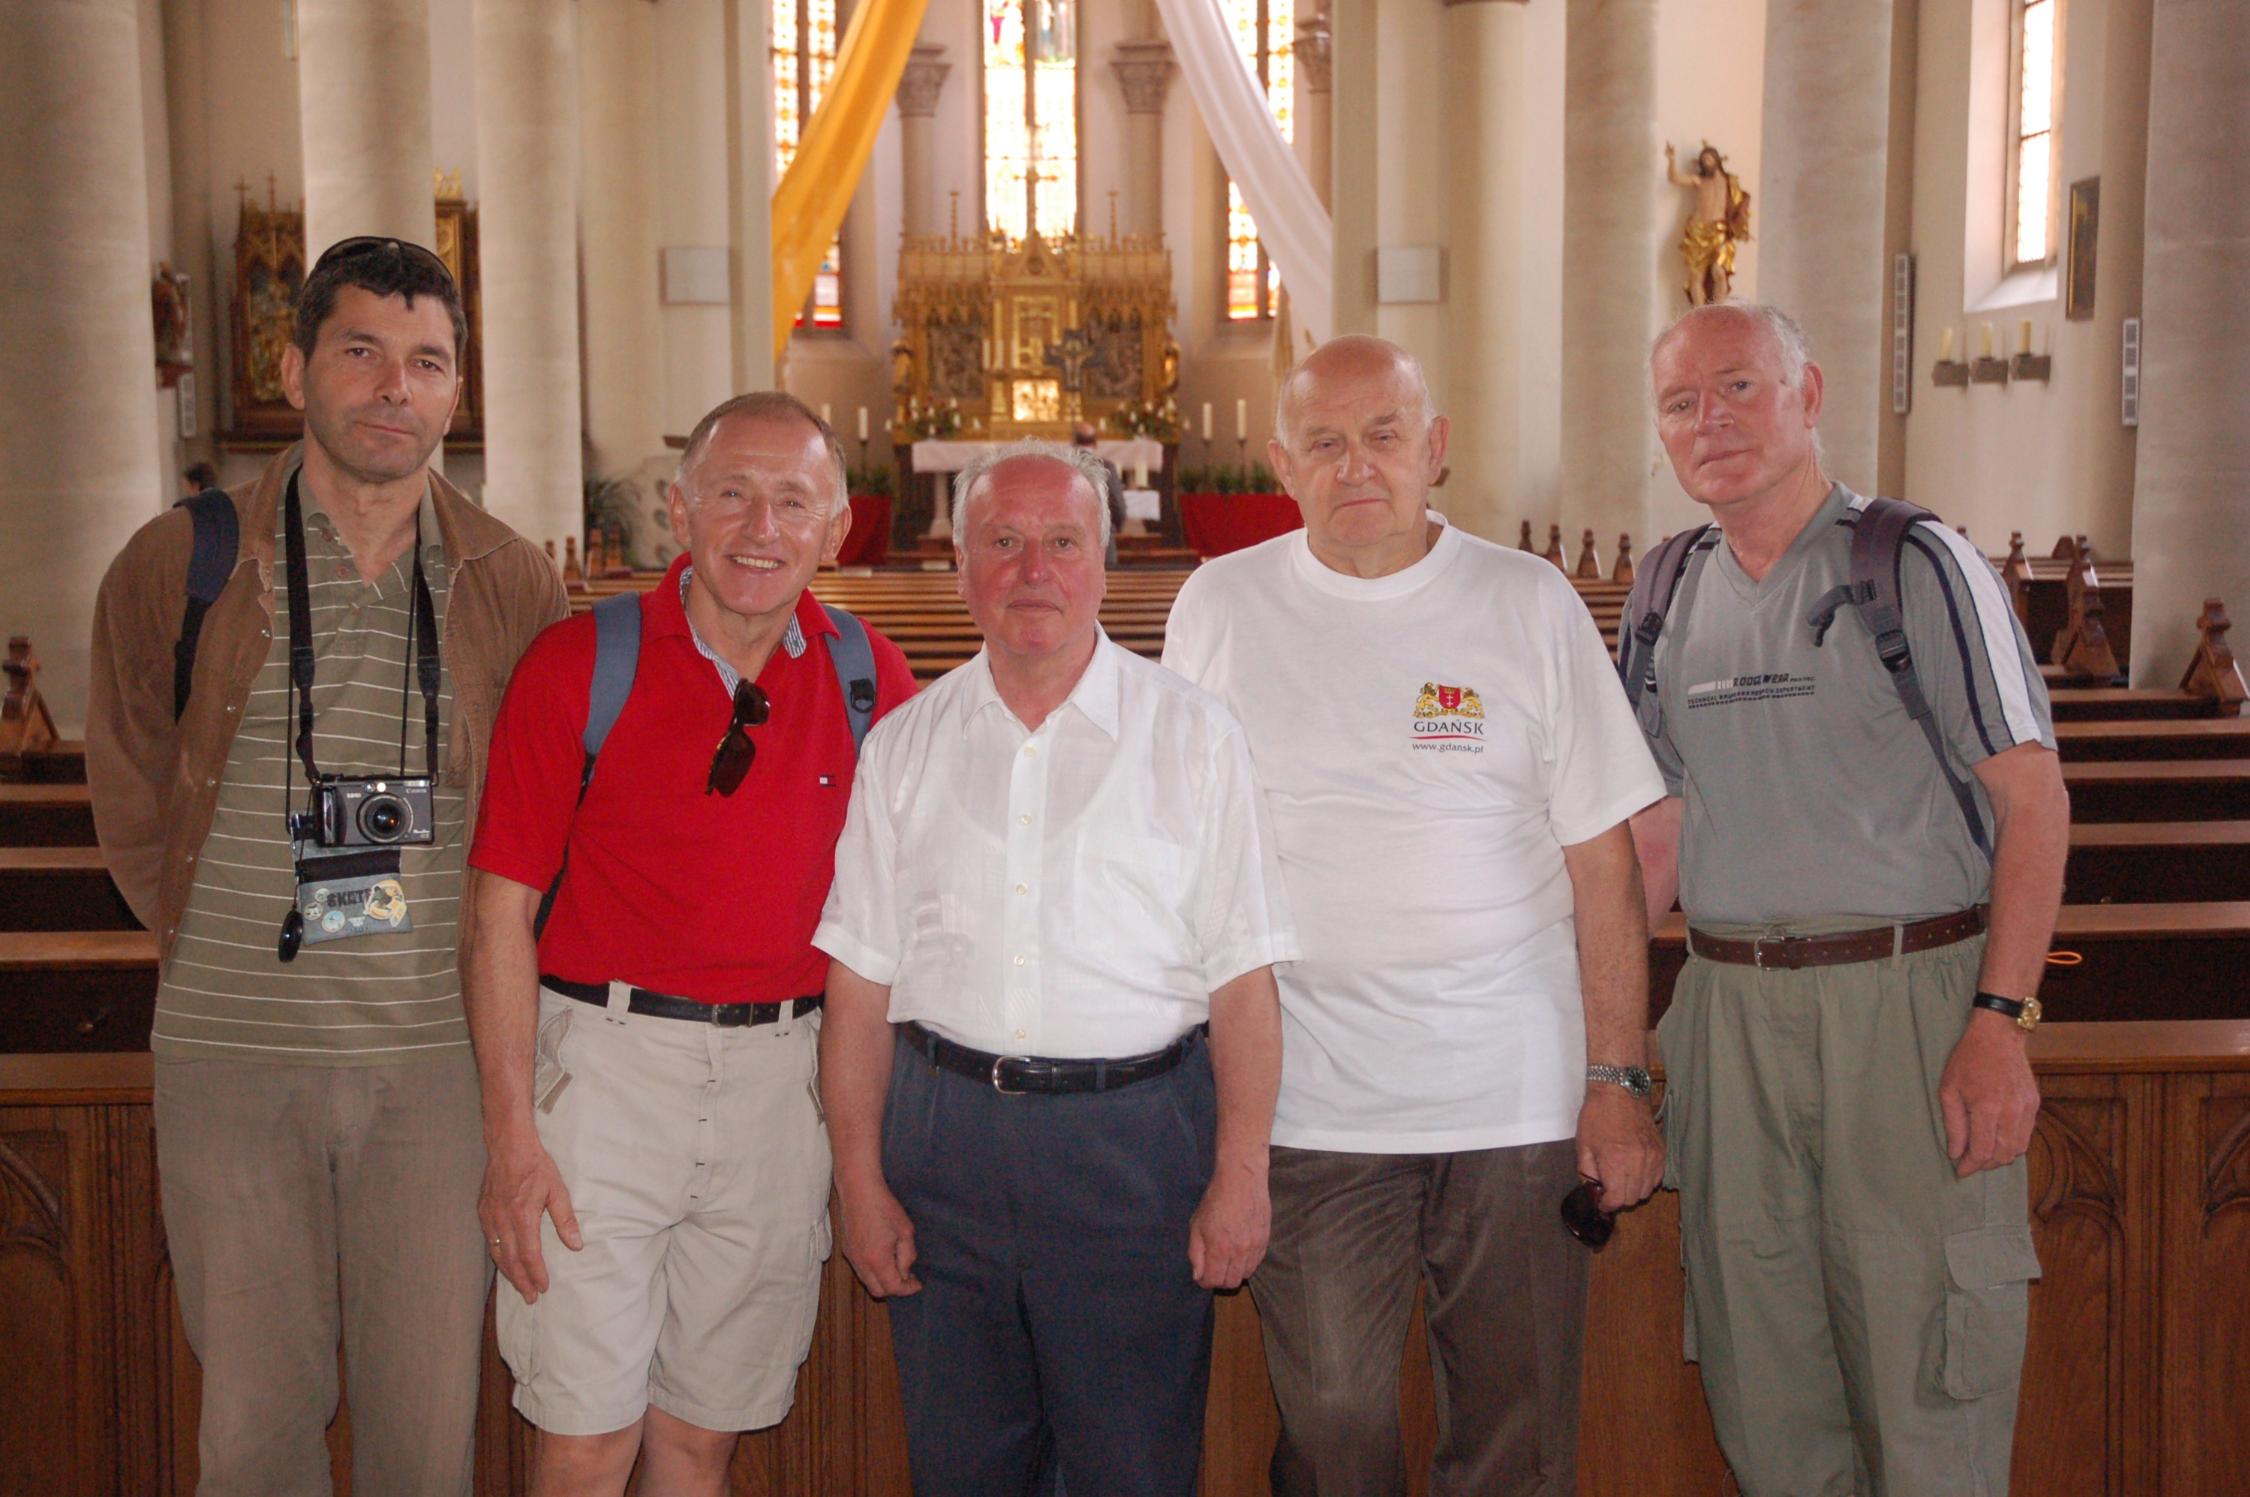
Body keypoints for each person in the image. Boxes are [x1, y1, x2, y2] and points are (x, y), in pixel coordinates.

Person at [87, 236, 568, 1493]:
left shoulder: (510, 579)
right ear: (295, 365)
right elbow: (132, 779)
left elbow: (545, 818)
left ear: (458, 393)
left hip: (436, 1074)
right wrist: (202, 941)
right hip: (232, 1063)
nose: (392, 389)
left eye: (426, 363)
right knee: (253, 1432)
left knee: (425, 1438)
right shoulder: (182, 560)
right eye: (360, 353)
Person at [1163, 335, 1668, 1495]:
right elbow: (1182, 849)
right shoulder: (1222, 606)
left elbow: (1605, 864)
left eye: (1384, 437)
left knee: (1515, 1427)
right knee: (1334, 1420)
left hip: (1515, 1095)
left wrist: (1618, 1080)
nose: (1357, 468)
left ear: (1434, 450)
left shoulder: (1526, 601)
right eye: (1325, 445)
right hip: (1315, 1099)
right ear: (1280, 464)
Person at [1625, 301, 2068, 1497]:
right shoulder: (1666, 589)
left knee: (1930, 1381)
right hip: (1729, 1016)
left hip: (1907, 1008)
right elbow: (1655, 840)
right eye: (1680, 402)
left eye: (1737, 389)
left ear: (1808, 394)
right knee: (1763, 1384)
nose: (1708, 421)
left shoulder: (1910, 559)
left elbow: (2035, 800)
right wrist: (1607, 1055)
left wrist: (1999, 1021)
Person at [815, 440, 1297, 1495]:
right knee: (962, 1464)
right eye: (1004, 541)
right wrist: (859, 1178)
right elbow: (857, 988)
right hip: (944, 1141)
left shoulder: (1195, 736)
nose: (1034, 569)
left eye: (1063, 542)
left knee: (1132, 1464)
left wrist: (1241, 1174)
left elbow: (1244, 980)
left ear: (1106, 564)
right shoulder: (904, 744)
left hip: (1133, 1143)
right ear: (960, 567)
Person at [463, 391, 916, 1496]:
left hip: (781, 1082)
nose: (761, 529)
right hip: (605, 1074)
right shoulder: (580, 664)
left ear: (836, 527)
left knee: (700, 1437)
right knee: (582, 1440)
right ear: (680, 509)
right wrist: (512, 1136)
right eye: (732, 495)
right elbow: (497, 916)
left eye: (792, 502)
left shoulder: (875, 683)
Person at [1665, 143, 1752, 308]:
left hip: (1719, 231)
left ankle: (1718, 311)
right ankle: (1698, 314)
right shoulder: (1700, 180)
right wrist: (1671, 159)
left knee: (1718, 272)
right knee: (1695, 277)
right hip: (1697, 231)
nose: (1706, 162)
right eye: (1703, 160)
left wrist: (1742, 227)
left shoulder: (1729, 181)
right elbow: (1674, 178)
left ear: (1717, 160)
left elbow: (1741, 204)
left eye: (1709, 158)